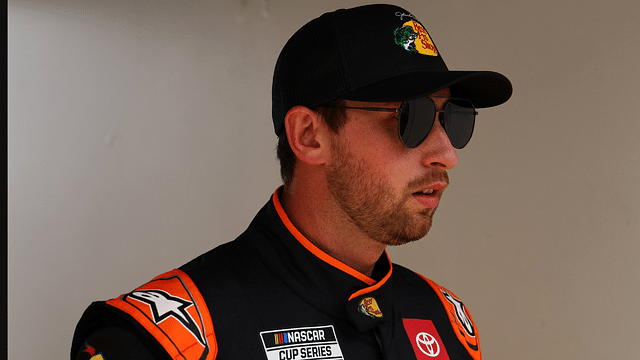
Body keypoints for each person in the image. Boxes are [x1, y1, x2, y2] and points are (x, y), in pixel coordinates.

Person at [71, 4, 512, 360]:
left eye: (454, 118)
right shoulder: (169, 340)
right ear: (309, 136)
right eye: (410, 118)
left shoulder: (446, 320)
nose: (447, 154)